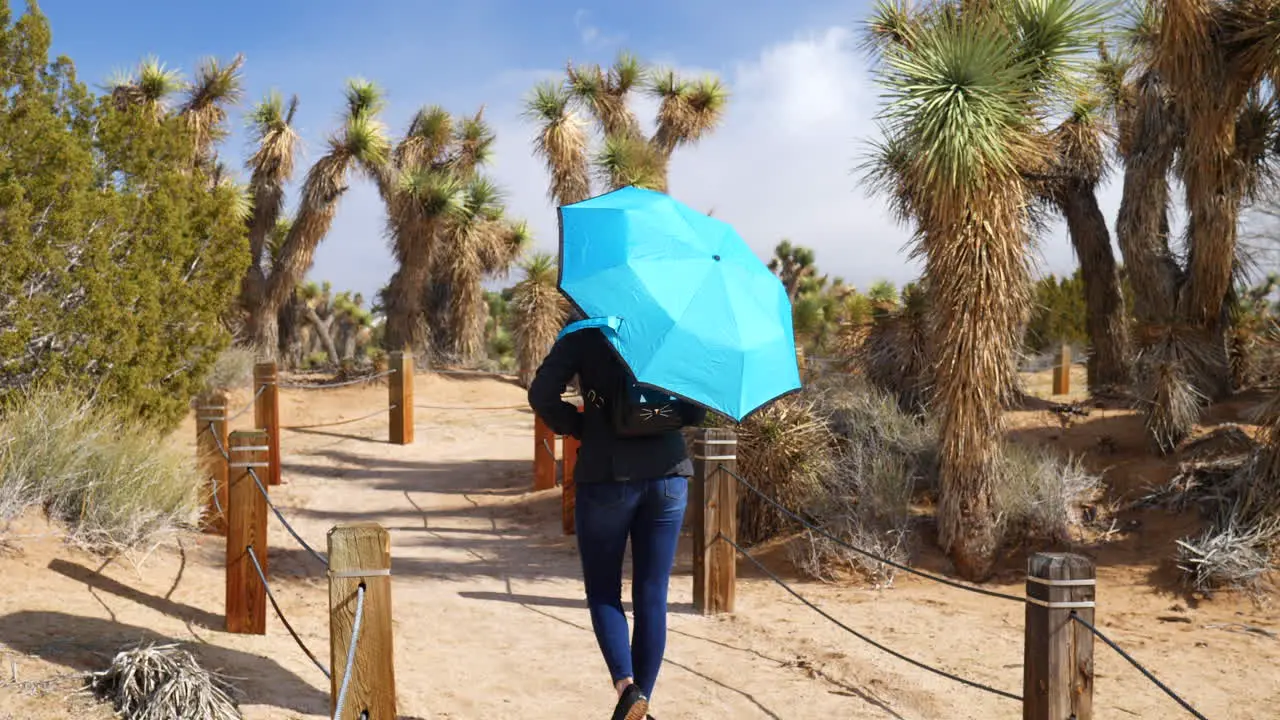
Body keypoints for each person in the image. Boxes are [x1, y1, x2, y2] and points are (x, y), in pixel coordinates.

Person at [529, 323, 706, 720]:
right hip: (669, 475)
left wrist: (581, 425)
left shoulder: (584, 332)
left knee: (604, 591)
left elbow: (541, 394)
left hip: (606, 475)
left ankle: (627, 687)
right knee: (652, 593)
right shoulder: (675, 329)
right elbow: (697, 408)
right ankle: (641, 703)